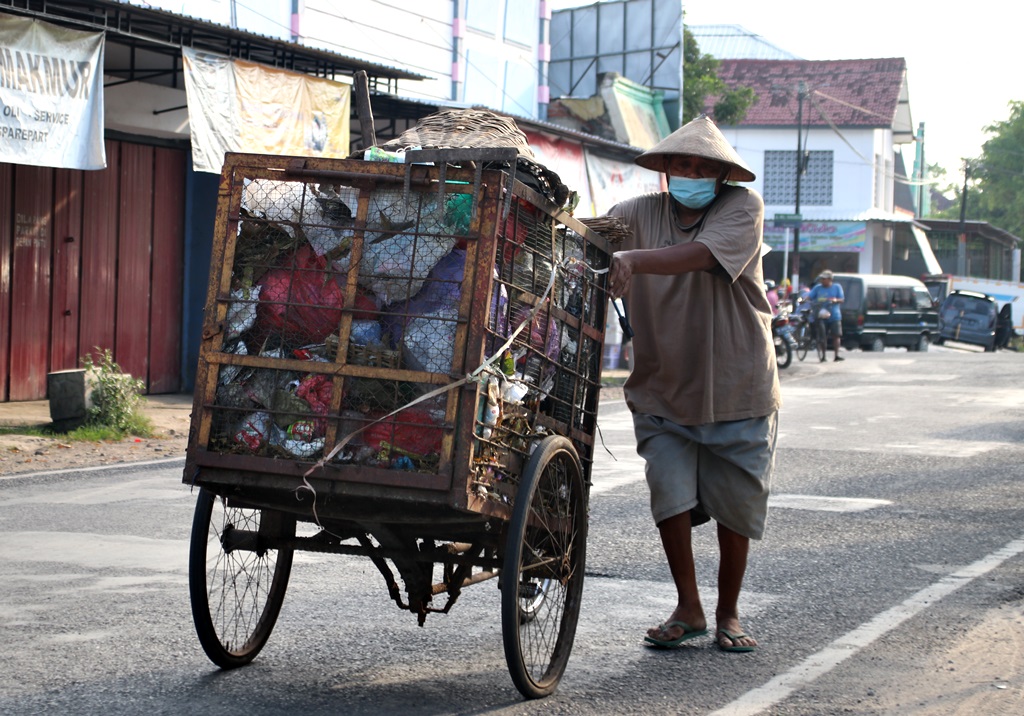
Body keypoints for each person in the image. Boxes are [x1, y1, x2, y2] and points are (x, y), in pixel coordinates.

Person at [606, 114, 781, 653]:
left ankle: (728, 611)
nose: (692, 173)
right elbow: (588, 235)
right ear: (666, 169)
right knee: (670, 496)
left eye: (704, 167)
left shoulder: (741, 209)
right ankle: (689, 606)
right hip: (662, 384)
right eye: (683, 164)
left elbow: (703, 256)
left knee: (736, 507)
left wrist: (632, 259)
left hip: (738, 384)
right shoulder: (635, 213)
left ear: (723, 176)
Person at [806, 270, 845, 361]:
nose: (822, 280)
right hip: (821, 314)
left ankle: (836, 355)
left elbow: (842, 299)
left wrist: (835, 300)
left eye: (824, 279)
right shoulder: (817, 288)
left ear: (830, 279)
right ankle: (823, 356)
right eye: (822, 279)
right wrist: (803, 299)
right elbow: (810, 296)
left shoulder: (837, 287)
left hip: (834, 315)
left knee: (836, 335)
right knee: (822, 336)